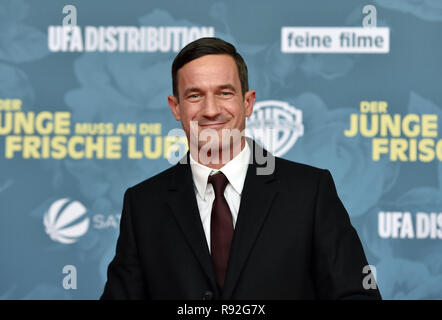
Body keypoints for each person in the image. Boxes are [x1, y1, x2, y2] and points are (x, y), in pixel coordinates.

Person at [100, 37, 381, 300]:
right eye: (195, 95)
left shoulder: (310, 191)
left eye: (224, 92)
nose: (210, 110)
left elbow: (356, 295)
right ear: (176, 108)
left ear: (248, 102)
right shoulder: (143, 204)